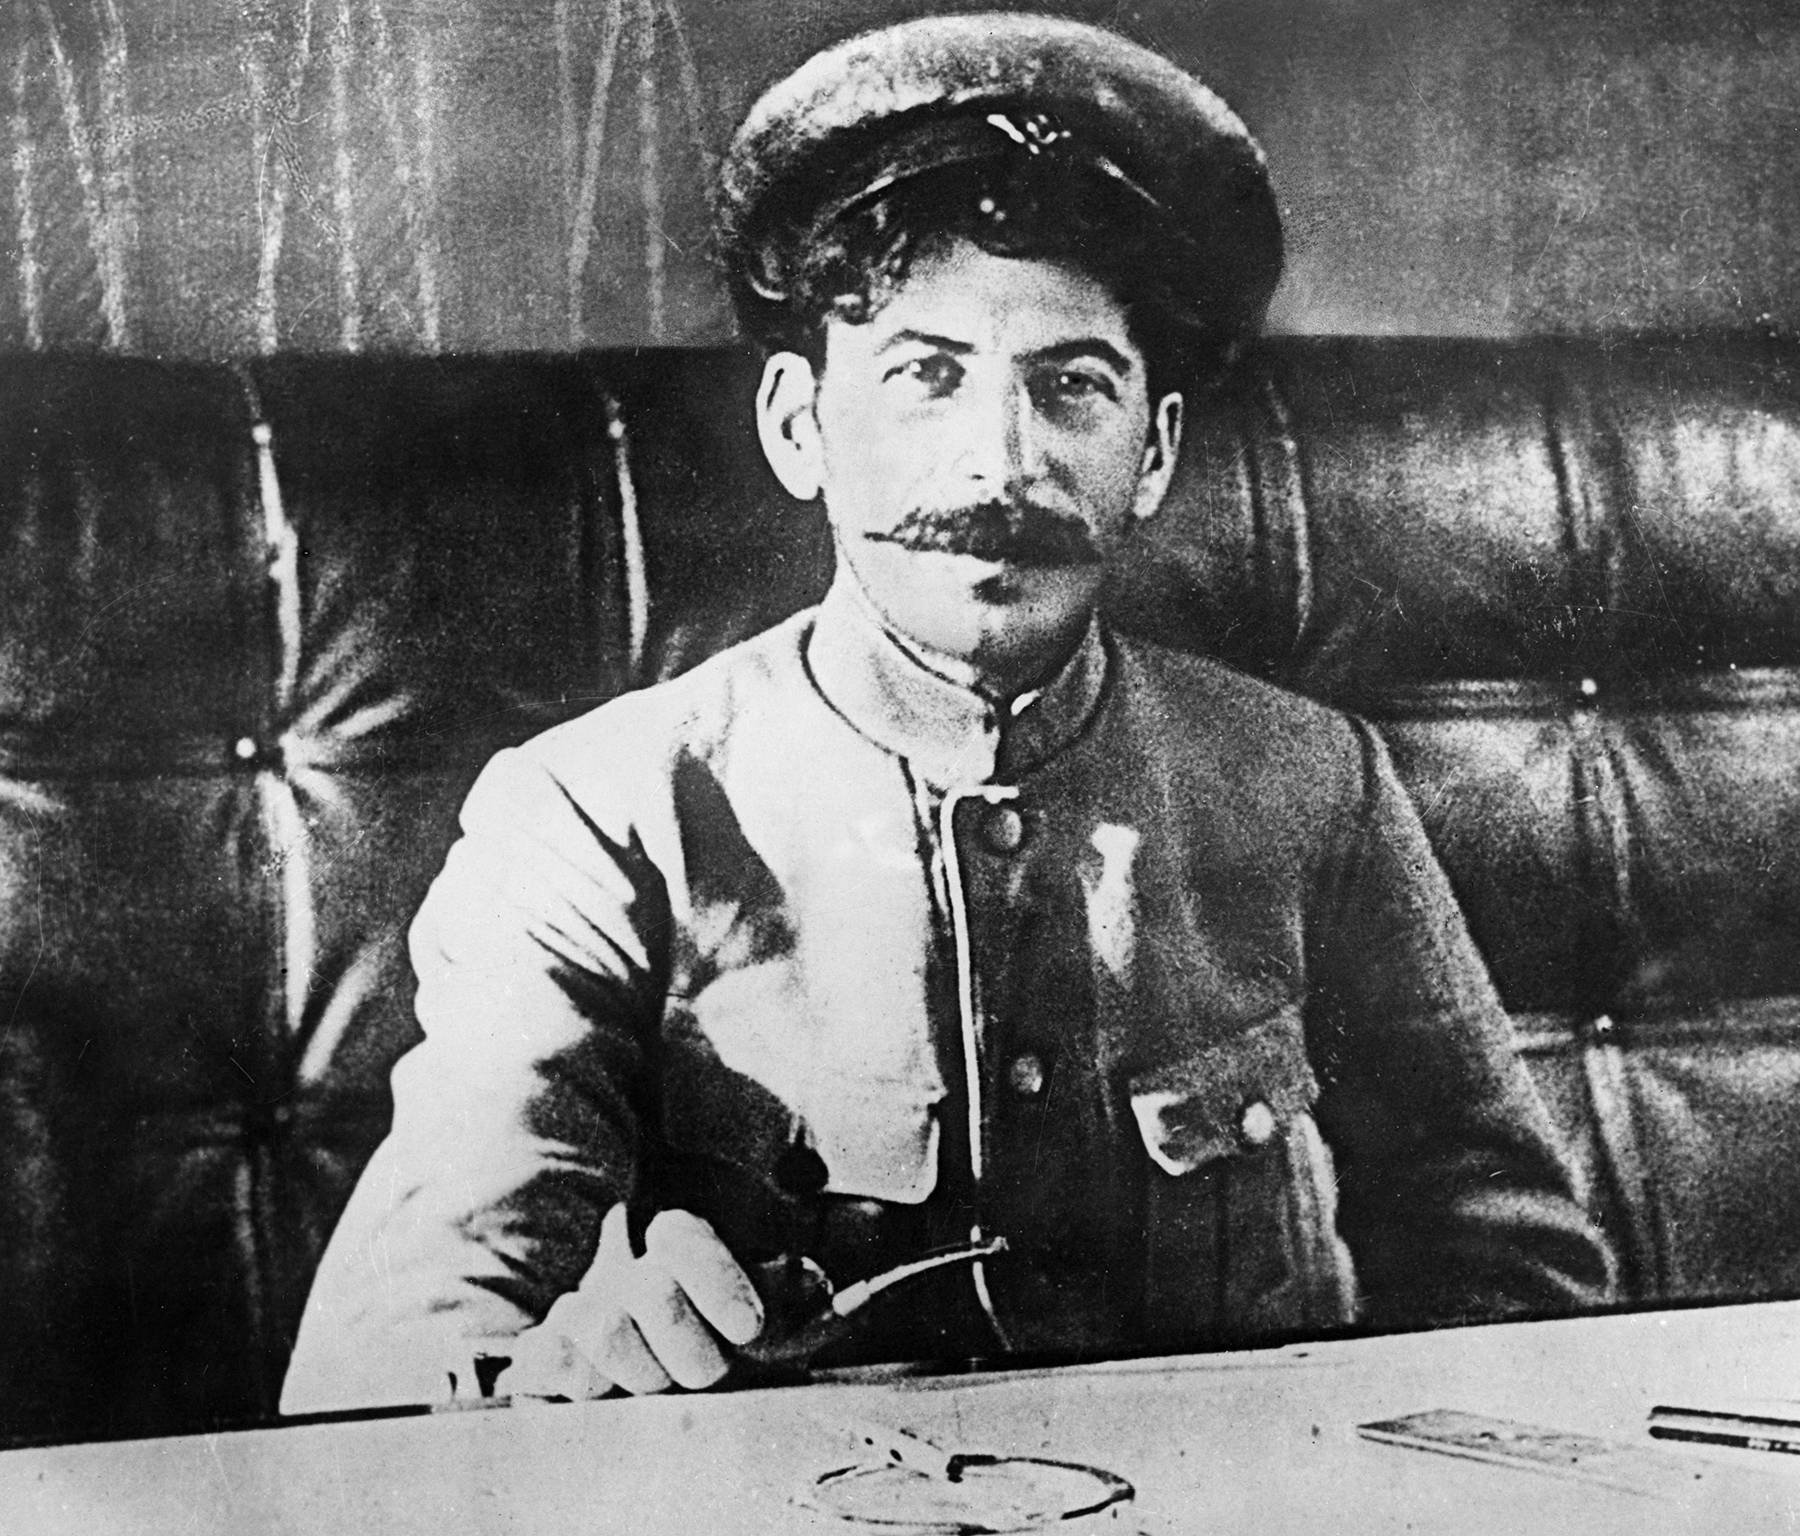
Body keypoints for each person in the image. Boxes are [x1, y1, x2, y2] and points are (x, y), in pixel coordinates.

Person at [281, 12, 1613, 1415]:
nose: (1000, 462)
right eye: (926, 376)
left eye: (1072, 387)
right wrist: (556, 1387)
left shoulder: (1308, 783)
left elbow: (1519, 1282)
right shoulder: (598, 814)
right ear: (798, 426)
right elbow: (397, 1365)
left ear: (1153, 453)